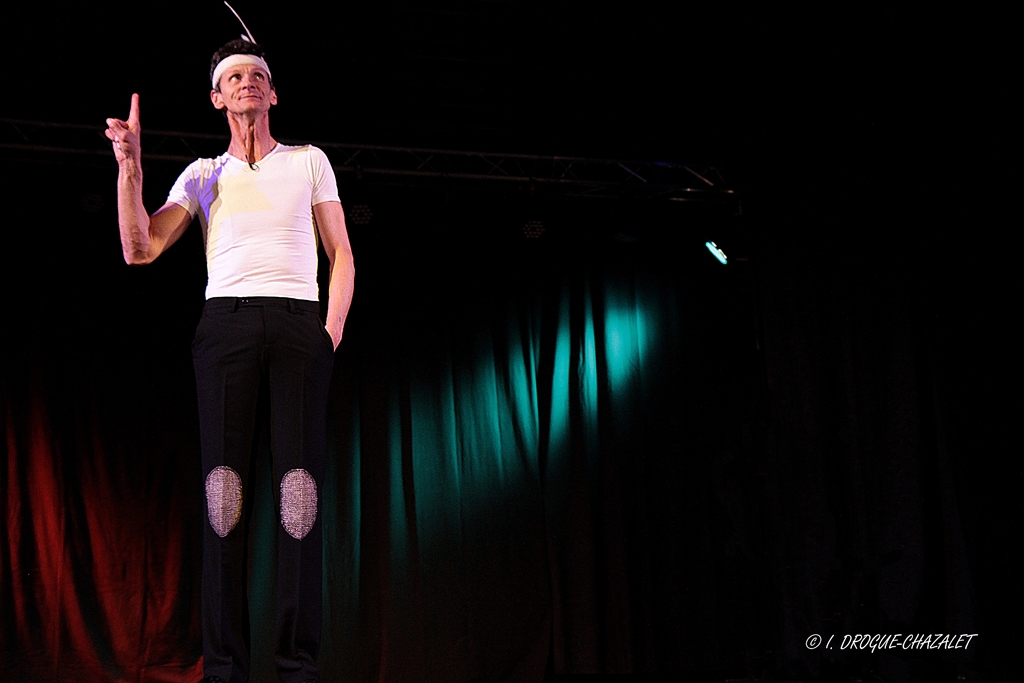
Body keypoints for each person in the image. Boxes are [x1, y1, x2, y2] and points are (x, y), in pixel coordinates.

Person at [105, 38, 354, 683]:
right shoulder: (200, 173)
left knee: (299, 499)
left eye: (257, 76)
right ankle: (224, 669)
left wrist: (327, 329)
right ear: (217, 98)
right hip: (227, 327)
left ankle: (296, 667)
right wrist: (130, 168)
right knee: (225, 497)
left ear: (273, 93)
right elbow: (140, 248)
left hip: (299, 323)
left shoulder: (309, 161)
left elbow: (342, 254)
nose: (247, 84)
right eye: (233, 77)